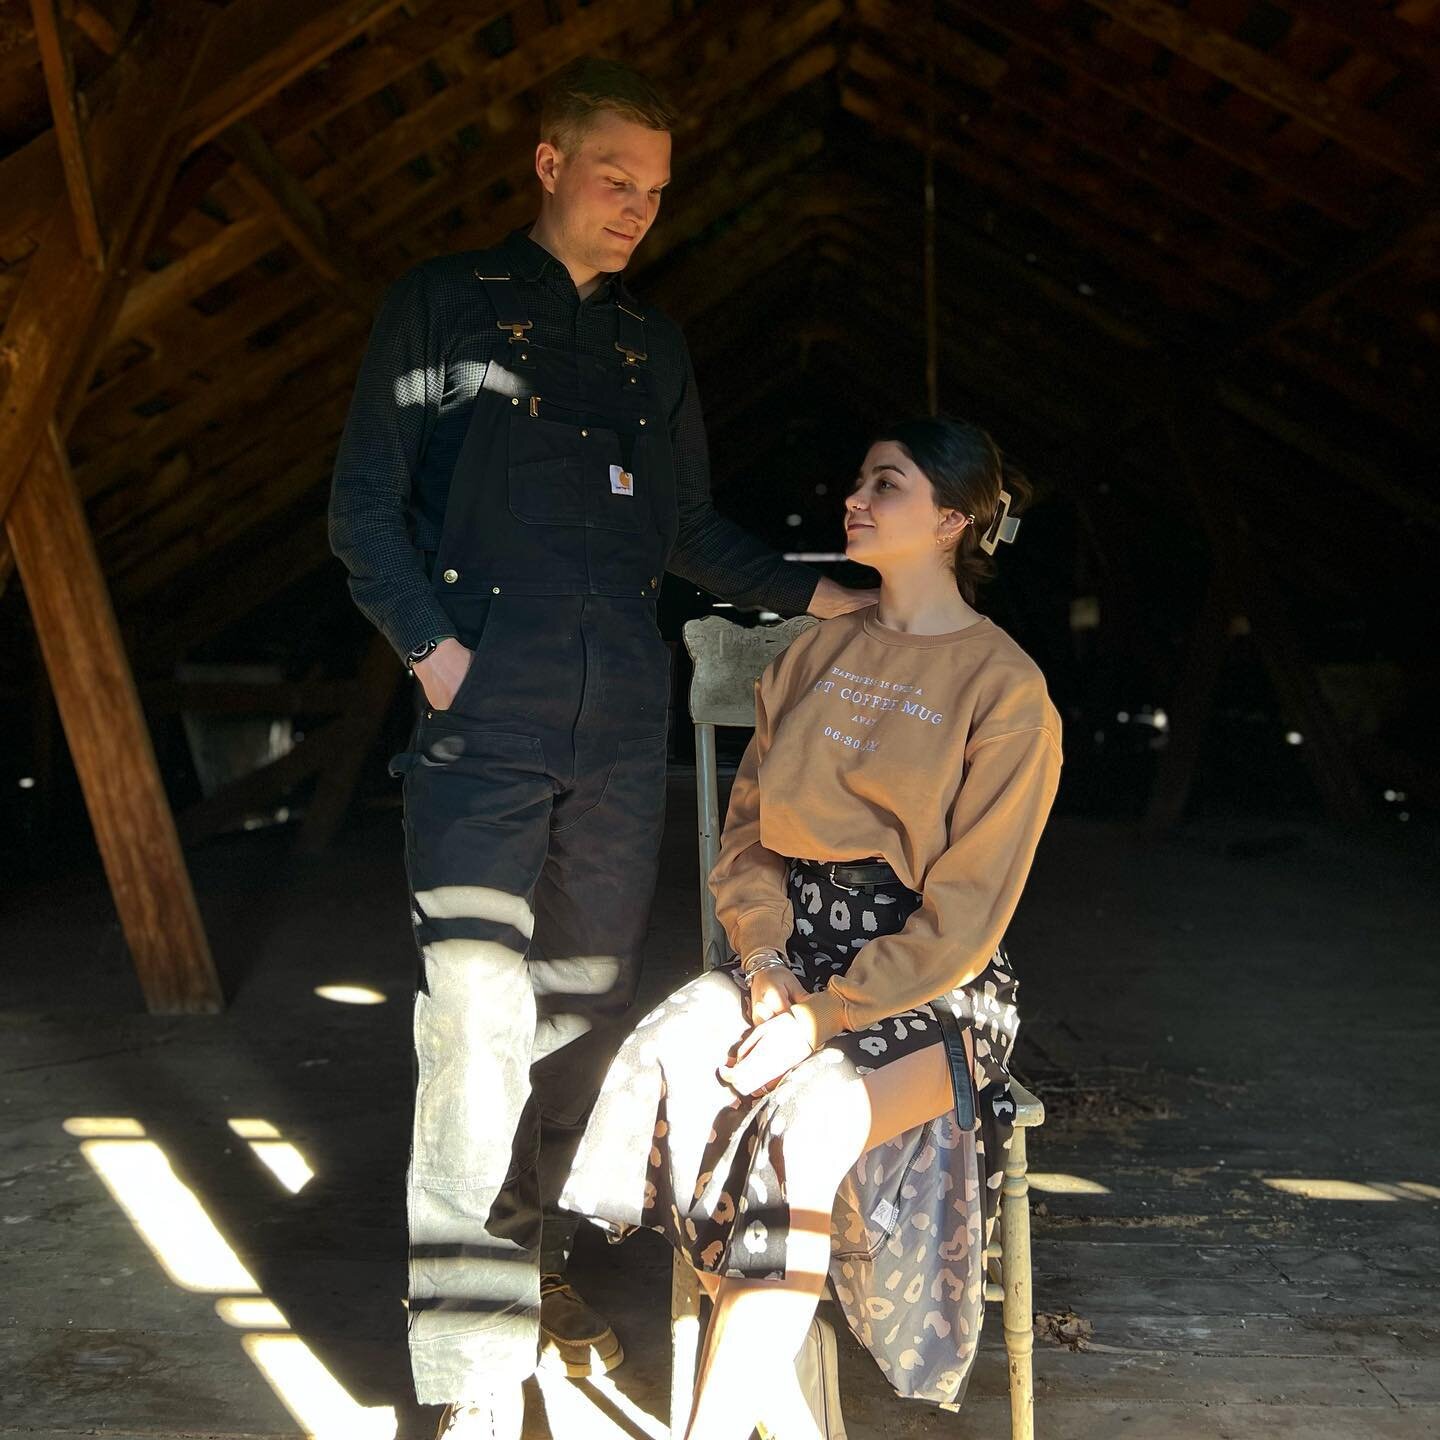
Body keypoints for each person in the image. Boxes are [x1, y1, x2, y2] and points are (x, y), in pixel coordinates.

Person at [327, 56, 871, 1440]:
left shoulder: (654, 347)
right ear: (551, 165)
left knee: (577, 1025)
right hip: (485, 722)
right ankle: (467, 1378)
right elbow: (361, 509)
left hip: (621, 728)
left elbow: (688, 531)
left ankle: (532, 1271)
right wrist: (439, 656)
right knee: (475, 1026)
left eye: (657, 192)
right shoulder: (443, 304)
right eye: (615, 178)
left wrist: (834, 600)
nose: (637, 208)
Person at [561, 416, 1063, 1440]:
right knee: (669, 1055)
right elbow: (747, 836)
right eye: (859, 479)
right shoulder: (816, 653)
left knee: (809, 1121)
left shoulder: (1007, 690)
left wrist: (824, 1017)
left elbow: (965, 915)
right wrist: (761, 965)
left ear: (952, 522)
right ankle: (781, 1414)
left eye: (888, 485)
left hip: (928, 980)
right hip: (785, 948)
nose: (858, 499)